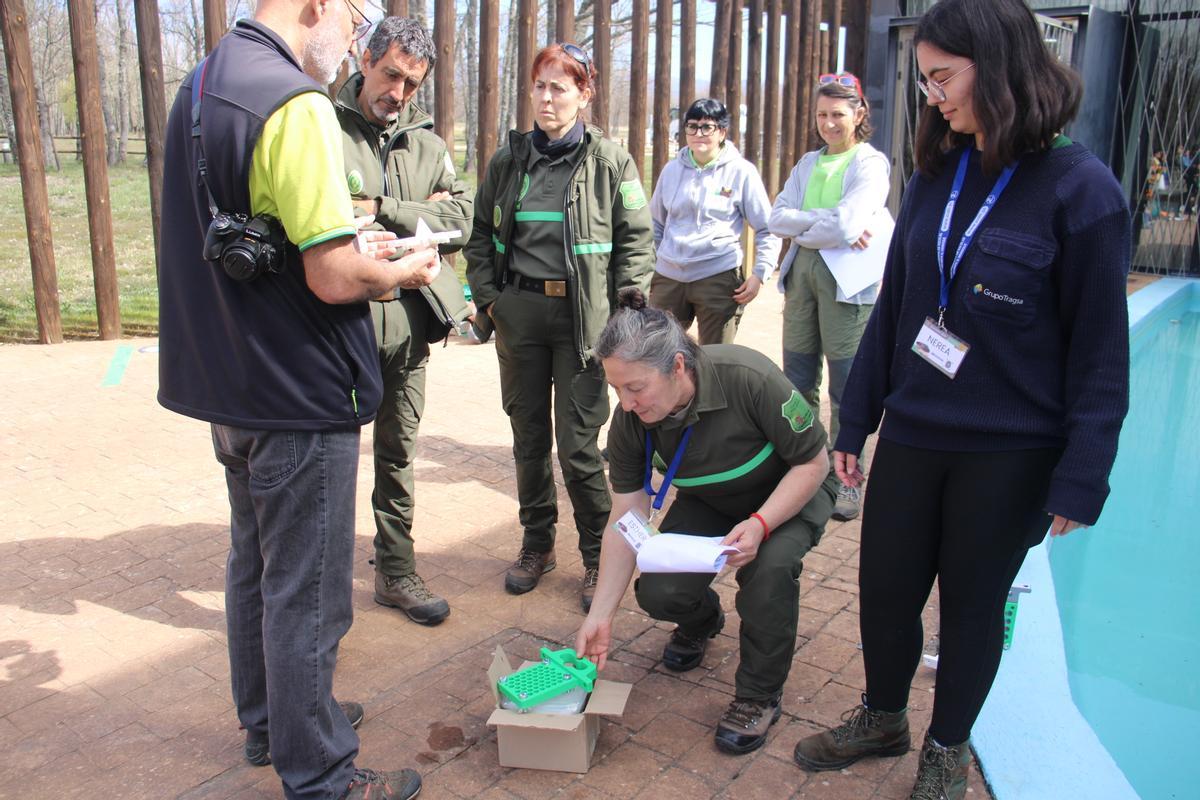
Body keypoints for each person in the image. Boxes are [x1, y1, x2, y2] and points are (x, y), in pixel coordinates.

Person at [791, 2, 1131, 798]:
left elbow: (1101, 358)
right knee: (885, 590)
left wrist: (1083, 473)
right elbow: (898, 307)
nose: (933, 97)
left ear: (1003, 66)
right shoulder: (940, 174)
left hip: (1010, 451)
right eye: (925, 80)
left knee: (971, 609)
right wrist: (860, 413)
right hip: (915, 428)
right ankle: (883, 715)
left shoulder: (1083, 193)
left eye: (944, 78)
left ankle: (947, 745)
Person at [157, 2, 438, 798]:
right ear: (317, 5)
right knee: (308, 593)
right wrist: (402, 271)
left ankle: (273, 722)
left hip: (231, 385)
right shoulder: (295, 100)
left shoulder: (205, 82)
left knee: (253, 564)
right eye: (354, 20)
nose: (353, 40)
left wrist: (341, 230)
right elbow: (332, 276)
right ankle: (321, 774)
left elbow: (253, 220)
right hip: (296, 388)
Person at [575, 288, 838, 755]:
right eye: (617, 389)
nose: (627, 402)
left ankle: (757, 696)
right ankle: (703, 620)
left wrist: (760, 523)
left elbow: (813, 463)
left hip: (788, 491)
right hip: (714, 498)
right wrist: (601, 616)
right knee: (660, 589)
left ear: (678, 366)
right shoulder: (631, 421)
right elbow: (627, 513)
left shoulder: (747, 376)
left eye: (636, 387)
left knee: (768, 570)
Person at [464, 43, 654, 611]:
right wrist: (493, 300)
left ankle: (598, 555)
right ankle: (536, 544)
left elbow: (636, 244)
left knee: (577, 446)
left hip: (585, 324)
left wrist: (625, 317)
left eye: (560, 88)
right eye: (540, 86)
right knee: (527, 438)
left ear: (584, 94)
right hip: (519, 314)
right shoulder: (508, 161)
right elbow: (479, 235)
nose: (547, 99)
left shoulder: (610, 161)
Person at [334, 16, 473, 626]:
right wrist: (419, 218)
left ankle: (395, 572)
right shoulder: (323, 128)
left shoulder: (428, 143)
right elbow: (328, 218)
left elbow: (462, 219)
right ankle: (321, 587)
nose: (399, 91)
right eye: (391, 74)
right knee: (329, 461)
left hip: (409, 329)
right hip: (340, 329)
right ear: (365, 59)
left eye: (412, 83)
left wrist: (383, 209)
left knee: (398, 453)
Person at [768, 72, 889, 523]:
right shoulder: (806, 163)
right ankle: (805, 467)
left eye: (838, 114)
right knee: (797, 381)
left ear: (859, 114)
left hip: (847, 286)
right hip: (802, 279)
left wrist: (820, 226)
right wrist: (831, 226)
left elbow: (846, 224)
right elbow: (777, 217)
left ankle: (848, 479)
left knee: (846, 389)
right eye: (822, 114)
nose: (829, 123)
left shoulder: (869, 164)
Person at [648, 98, 780, 344]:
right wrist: (653, 267)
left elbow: (767, 228)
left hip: (717, 274)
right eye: (692, 126)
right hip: (669, 276)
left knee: (715, 359)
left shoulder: (741, 171)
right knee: (658, 352)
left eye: (707, 127)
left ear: (722, 132)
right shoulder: (671, 171)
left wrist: (760, 273)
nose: (699, 133)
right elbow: (656, 224)